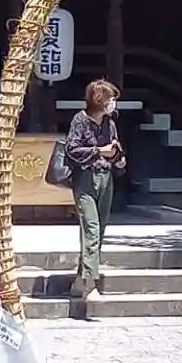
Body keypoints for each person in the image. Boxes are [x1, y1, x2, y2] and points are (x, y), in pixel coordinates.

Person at [64, 78, 125, 303]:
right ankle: (89, 285)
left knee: (99, 230)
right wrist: (99, 151)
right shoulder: (80, 120)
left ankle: (79, 279)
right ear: (99, 100)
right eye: (110, 99)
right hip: (85, 178)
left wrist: (118, 158)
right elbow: (72, 149)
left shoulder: (110, 124)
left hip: (105, 177)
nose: (113, 104)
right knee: (91, 228)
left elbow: (114, 148)